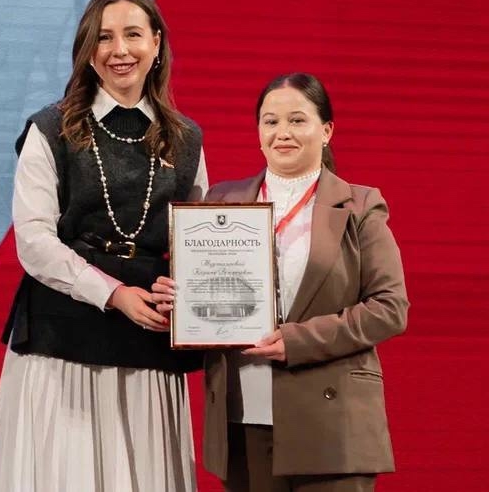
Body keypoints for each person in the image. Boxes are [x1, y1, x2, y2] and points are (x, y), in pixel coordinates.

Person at [0, 0, 208, 492]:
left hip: (148, 338)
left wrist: (189, 290)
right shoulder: (50, 129)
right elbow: (34, 242)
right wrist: (113, 294)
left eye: (133, 34)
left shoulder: (186, 139)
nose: (119, 50)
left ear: (156, 43)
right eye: (104, 38)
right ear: (87, 49)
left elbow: (198, 245)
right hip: (62, 337)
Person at [152, 73, 409, 492]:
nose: (282, 132)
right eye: (270, 121)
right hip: (242, 417)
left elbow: (389, 308)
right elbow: (204, 299)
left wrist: (298, 341)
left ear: (326, 131)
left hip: (331, 425)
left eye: (297, 120)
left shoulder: (360, 205)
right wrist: (178, 305)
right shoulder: (221, 203)